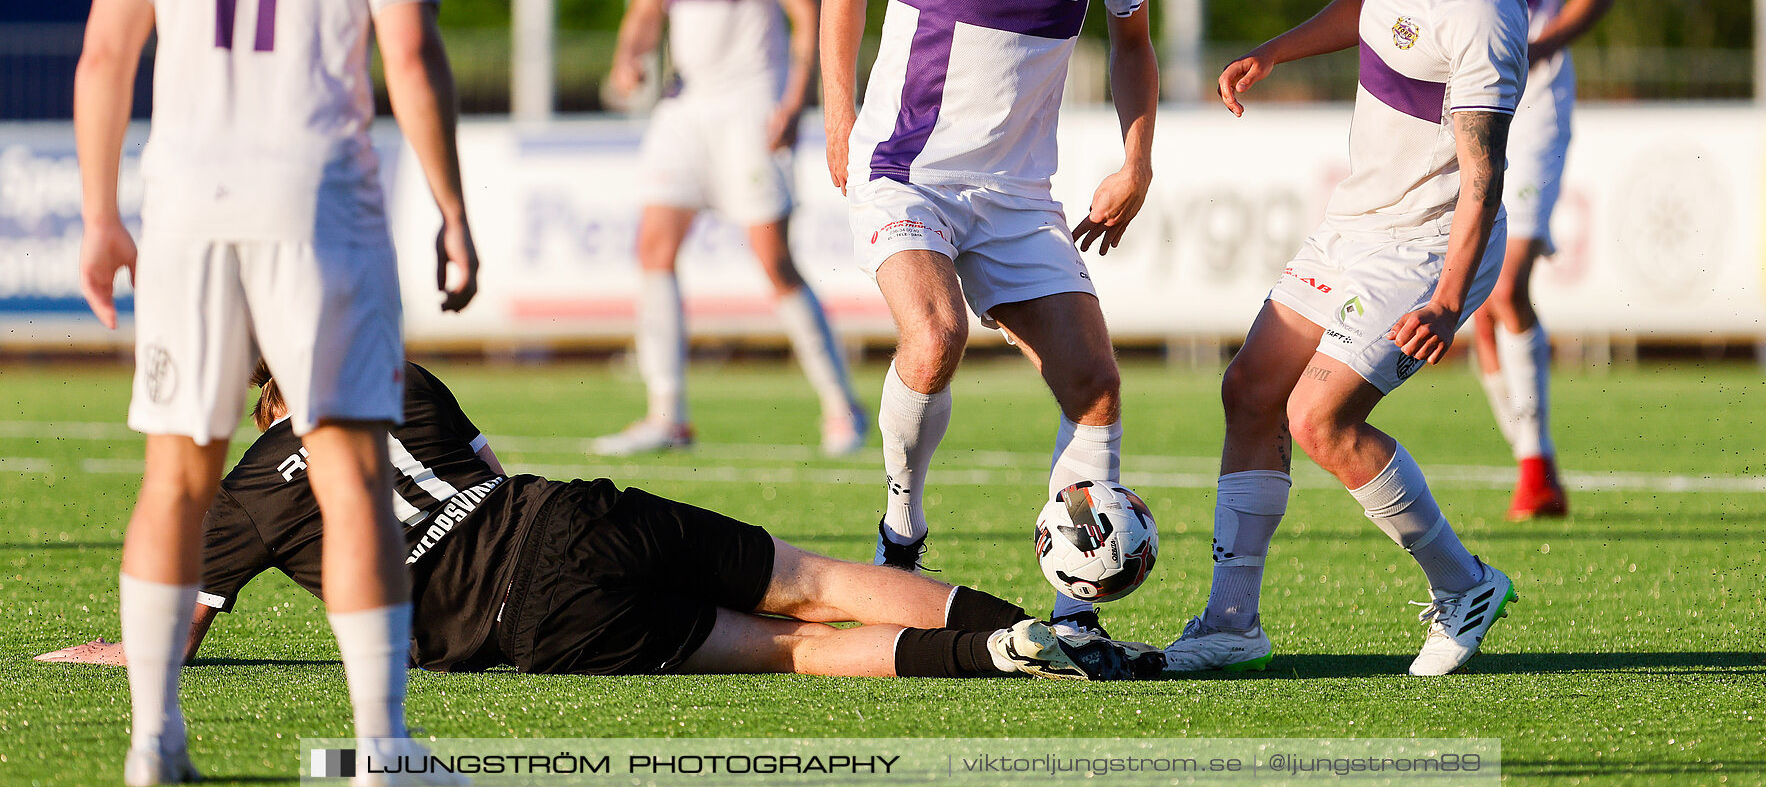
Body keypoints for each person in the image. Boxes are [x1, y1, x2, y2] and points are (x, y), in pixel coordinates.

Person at [73, 0, 478, 785]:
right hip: (316, 198)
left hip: (187, 199)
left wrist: (101, 212)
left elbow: (107, 50)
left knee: (176, 474)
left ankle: (153, 745)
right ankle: (387, 751)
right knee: (348, 470)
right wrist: (451, 206)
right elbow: (408, 54)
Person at [38, 362, 1164, 684]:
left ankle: (1003, 656)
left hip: (535, 614)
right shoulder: (395, 377)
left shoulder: (246, 491)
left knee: (793, 650)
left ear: (260, 399)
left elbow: (178, 627)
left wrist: (112, 652)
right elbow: (489, 469)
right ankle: (1058, 628)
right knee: (809, 573)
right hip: (570, 519)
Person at [1163, 0, 1527, 678]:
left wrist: (1446, 299)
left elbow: (1482, 177)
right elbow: (1369, 3)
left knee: (1317, 417)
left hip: (1425, 249)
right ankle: (1232, 623)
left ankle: (1466, 585)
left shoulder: (1483, 11)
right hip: (1353, 228)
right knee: (1250, 389)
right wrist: (1279, 52)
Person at [818, 0, 1158, 635]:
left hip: (1015, 195)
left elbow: (1131, 42)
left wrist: (1138, 158)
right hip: (906, 171)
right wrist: (839, 114)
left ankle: (1075, 613)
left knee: (1094, 386)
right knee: (933, 336)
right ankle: (901, 526)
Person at [594, 0, 866, 458]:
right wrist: (628, 57)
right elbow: (647, 5)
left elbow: (808, 11)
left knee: (773, 260)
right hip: (686, 106)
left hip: (752, 104)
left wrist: (795, 99)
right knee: (654, 247)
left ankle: (842, 408)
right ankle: (668, 414)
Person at [1426, 0, 1617, 521]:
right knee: (1480, 306)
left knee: (1505, 288)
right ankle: (1532, 462)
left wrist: (1543, 47)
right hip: (1463, 114)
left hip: (1534, 111)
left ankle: (1536, 468)